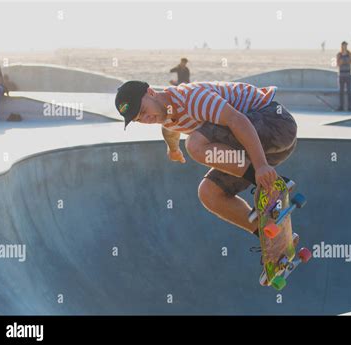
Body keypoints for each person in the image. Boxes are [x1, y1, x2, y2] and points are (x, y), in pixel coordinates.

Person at [115, 80, 297, 244]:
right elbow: (169, 130)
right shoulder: (165, 114)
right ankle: (269, 235)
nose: (147, 119)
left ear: (151, 92)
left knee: (194, 144)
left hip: (276, 124)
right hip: (263, 148)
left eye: (144, 111)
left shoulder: (193, 99)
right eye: (140, 119)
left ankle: (268, 183)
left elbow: (237, 120)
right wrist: (173, 149)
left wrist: (261, 166)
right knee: (209, 193)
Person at [336, 41, 351, 111]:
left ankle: (349, 107)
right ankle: (341, 106)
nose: (345, 47)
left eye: (346, 45)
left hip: (348, 74)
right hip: (341, 74)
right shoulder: (339, 54)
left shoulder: (349, 54)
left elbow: (350, 61)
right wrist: (343, 60)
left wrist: (343, 60)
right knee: (341, 92)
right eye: (343, 45)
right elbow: (338, 63)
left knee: (349, 91)